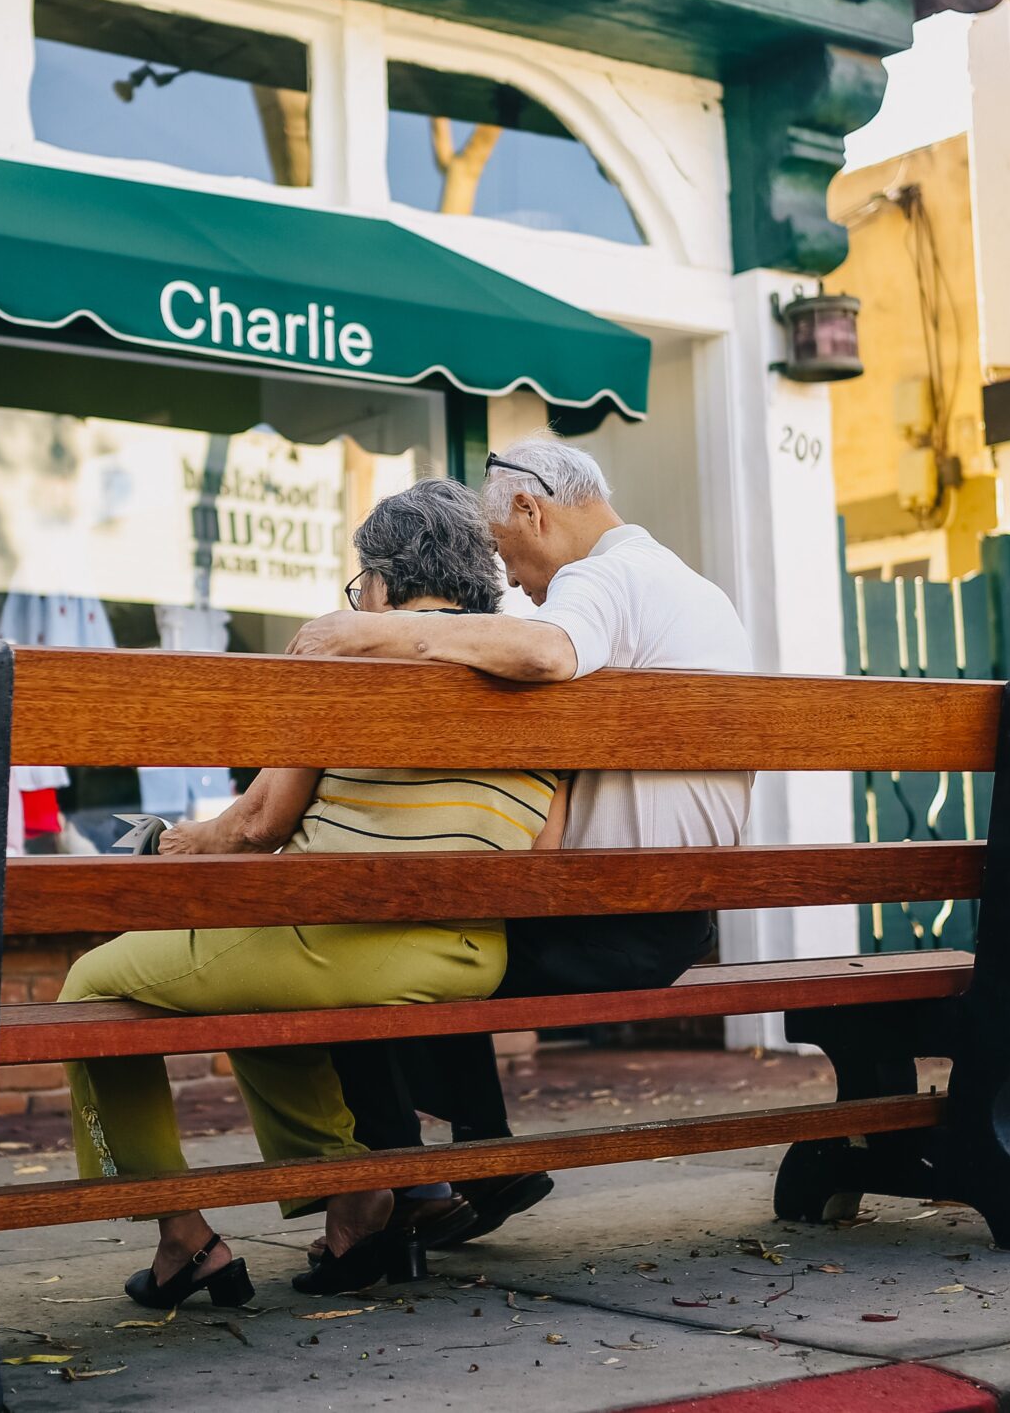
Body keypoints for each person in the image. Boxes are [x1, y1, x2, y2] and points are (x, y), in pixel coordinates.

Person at [57, 478, 569, 1307]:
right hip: (473, 950)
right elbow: (543, 845)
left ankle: (182, 1234)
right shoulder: (540, 661)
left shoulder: (351, 648)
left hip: (341, 939)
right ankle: (349, 1195)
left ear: (380, 584)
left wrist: (183, 844)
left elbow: (260, 822)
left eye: (359, 583)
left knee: (91, 984)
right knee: (257, 990)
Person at [283, 436, 753, 1243]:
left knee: (365, 957)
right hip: (675, 909)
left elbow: (542, 651)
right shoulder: (687, 585)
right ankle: (481, 1156)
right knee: (443, 926)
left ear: (531, 508)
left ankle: (408, 1184)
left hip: (610, 920)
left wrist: (366, 632)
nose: (515, 585)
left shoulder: (601, 578)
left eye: (506, 553)